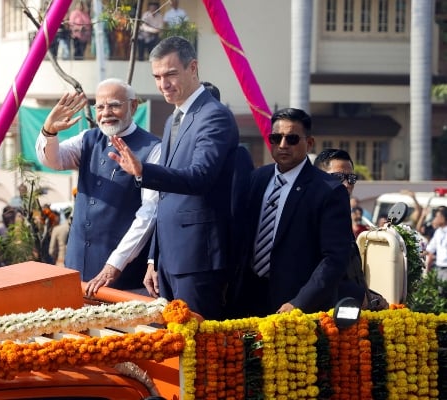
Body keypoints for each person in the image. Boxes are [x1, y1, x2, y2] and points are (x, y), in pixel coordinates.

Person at [108, 37, 239, 319]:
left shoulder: (214, 116)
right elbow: (163, 199)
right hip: (169, 258)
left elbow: (199, 177)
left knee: (199, 350)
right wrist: (154, 258)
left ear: (193, 68)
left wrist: (144, 171)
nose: (163, 84)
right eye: (157, 76)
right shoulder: (174, 119)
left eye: (170, 74)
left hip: (198, 257)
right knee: (173, 349)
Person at [36, 78, 160, 296]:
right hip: (77, 271)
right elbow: (53, 161)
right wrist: (49, 131)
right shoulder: (88, 139)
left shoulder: (152, 148)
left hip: (124, 278)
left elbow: (149, 214)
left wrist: (115, 263)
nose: (106, 113)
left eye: (114, 105)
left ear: (133, 106)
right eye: (100, 107)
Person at [229, 108, 353, 317]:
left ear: (310, 143)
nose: (283, 145)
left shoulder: (328, 190)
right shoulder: (257, 178)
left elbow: (334, 259)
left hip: (296, 306)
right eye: (276, 138)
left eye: (292, 139)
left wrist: (300, 302)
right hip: (248, 299)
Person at [314, 148, 388, 310]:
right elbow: (320, 273)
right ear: (318, 177)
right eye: (339, 177)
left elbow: (349, 275)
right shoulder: (311, 215)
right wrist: (360, 296)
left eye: (351, 178)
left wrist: (370, 295)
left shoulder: (341, 214)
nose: (347, 184)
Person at [425, 206, 447, 282]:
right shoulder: (438, 232)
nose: (436, 219)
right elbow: (430, 248)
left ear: (443, 218)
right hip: (439, 267)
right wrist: (418, 254)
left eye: (438, 216)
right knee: (439, 292)